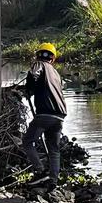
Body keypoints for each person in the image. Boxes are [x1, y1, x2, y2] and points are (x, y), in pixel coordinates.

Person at [23, 42, 67, 188]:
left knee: (28, 141)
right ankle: (53, 180)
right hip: (59, 115)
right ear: (53, 58)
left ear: (38, 55)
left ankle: (40, 172)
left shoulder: (38, 65)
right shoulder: (56, 73)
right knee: (54, 148)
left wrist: (28, 90)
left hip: (44, 114)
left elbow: (34, 77)